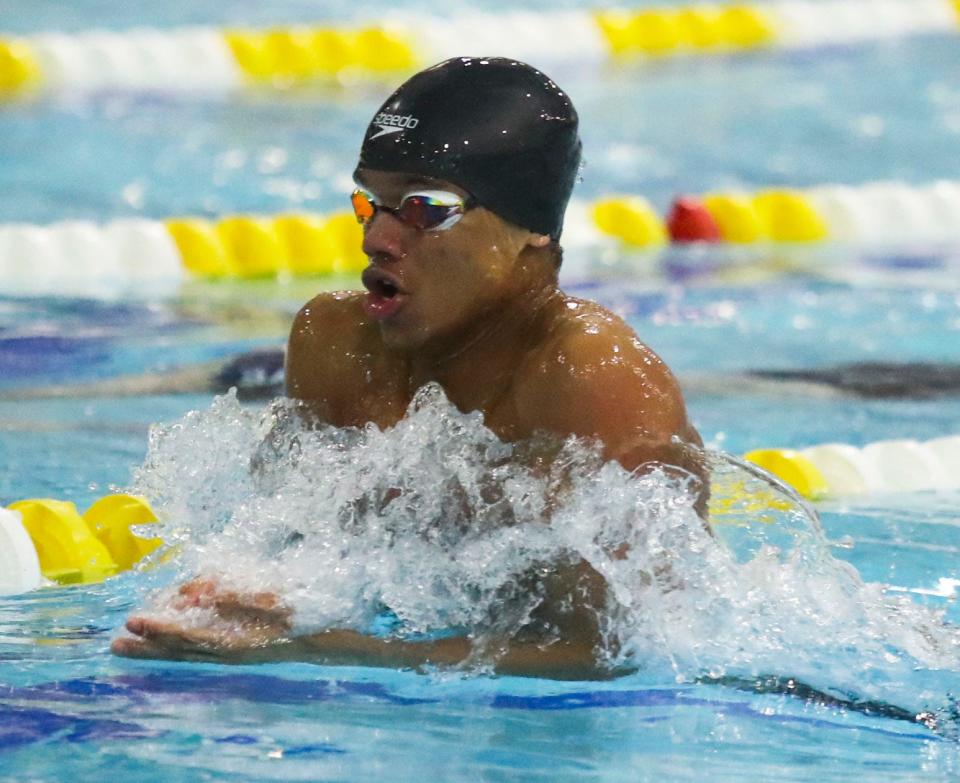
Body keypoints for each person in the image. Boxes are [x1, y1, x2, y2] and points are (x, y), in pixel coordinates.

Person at [112, 57, 704, 679]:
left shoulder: (589, 378)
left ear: (528, 228)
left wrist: (321, 649)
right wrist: (261, 596)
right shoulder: (334, 342)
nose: (376, 239)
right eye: (373, 203)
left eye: (424, 208)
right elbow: (305, 542)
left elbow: (603, 650)